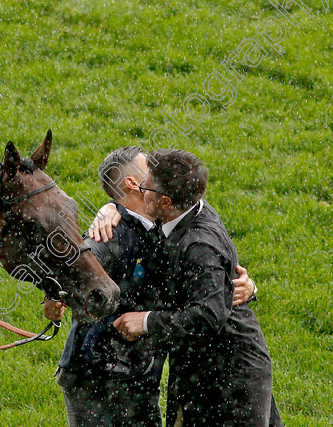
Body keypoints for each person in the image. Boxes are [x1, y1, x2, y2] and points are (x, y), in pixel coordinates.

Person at [45, 146, 256, 427]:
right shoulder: (109, 232)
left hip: (138, 375)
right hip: (97, 378)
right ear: (134, 183)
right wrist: (54, 295)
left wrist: (248, 288)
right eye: (149, 168)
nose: (157, 171)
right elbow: (76, 267)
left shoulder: (170, 218)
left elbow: (207, 265)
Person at [113, 149, 275, 427]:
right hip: (199, 368)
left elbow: (209, 316)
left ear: (166, 201)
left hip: (229, 377)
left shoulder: (199, 245)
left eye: (146, 186)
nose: (141, 190)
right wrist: (110, 209)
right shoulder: (187, 206)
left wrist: (147, 322)